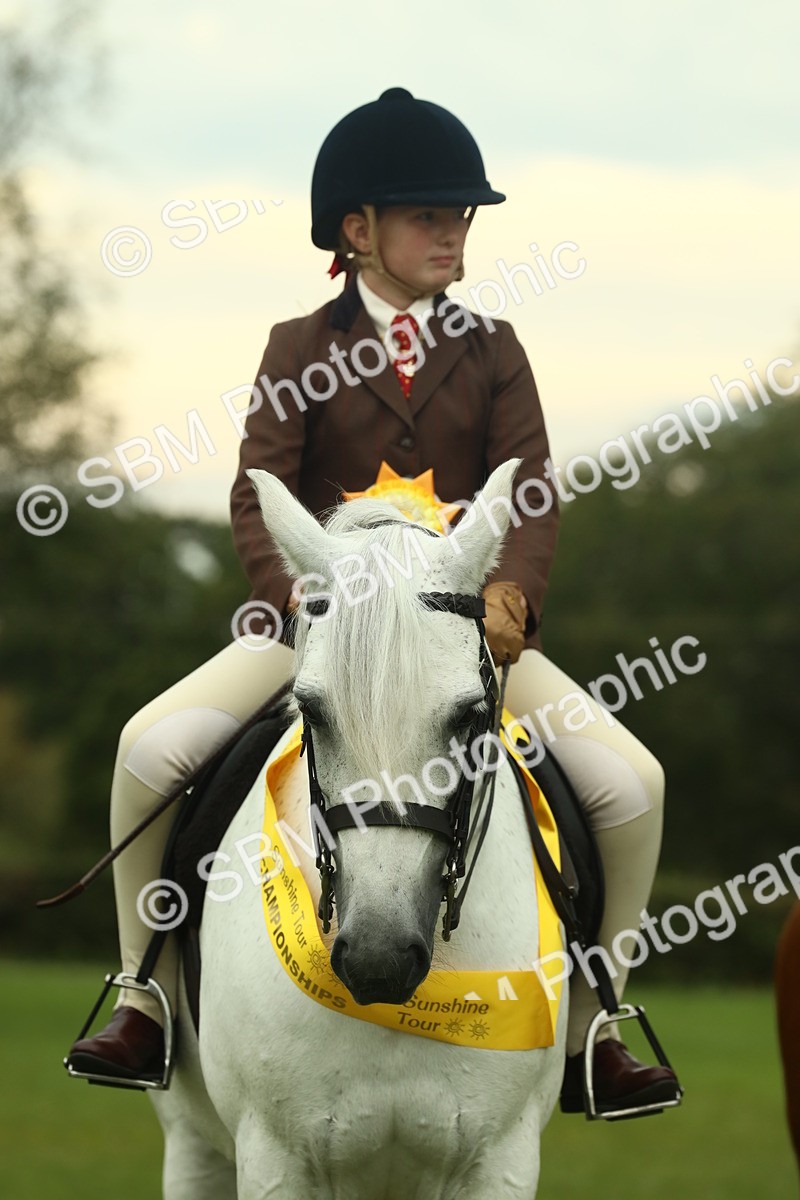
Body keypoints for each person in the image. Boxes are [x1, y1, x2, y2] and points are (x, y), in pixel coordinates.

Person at [68, 87, 679, 1114]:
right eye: (428, 216)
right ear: (357, 231)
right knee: (146, 751)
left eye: (462, 217)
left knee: (632, 785)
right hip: (323, 636)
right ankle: (146, 993)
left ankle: (593, 1020)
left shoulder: (494, 350)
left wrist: (509, 602)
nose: (454, 233)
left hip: (460, 643)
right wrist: (306, 610)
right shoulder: (297, 346)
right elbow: (255, 493)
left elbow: (527, 493)